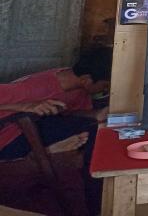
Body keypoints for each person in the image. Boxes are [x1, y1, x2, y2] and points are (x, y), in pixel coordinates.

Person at [0, 46, 113, 216]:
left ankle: (53, 149)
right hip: (8, 141)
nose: (105, 90)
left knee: (98, 129)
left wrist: (96, 114)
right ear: (87, 80)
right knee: (94, 138)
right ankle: (96, 208)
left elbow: (71, 112)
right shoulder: (31, 89)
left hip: (40, 128)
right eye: (104, 86)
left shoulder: (76, 86)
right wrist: (24, 106)